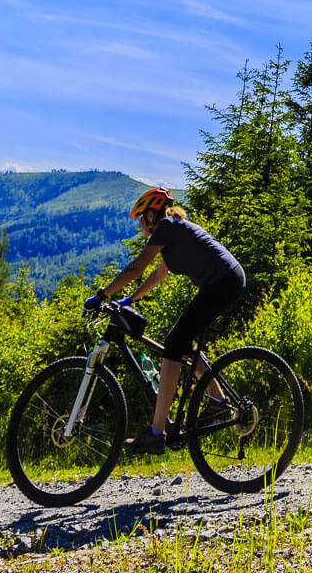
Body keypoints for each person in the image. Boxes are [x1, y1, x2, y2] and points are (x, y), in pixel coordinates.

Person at [85, 186, 246, 456]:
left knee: (173, 345)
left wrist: (102, 294)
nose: (139, 224)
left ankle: (156, 433)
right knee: (182, 346)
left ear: (152, 214)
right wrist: (130, 300)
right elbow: (160, 274)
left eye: (141, 217)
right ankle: (218, 400)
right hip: (223, 282)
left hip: (224, 282)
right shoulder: (174, 231)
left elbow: (137, 267)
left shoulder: (168, 226)